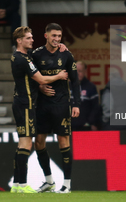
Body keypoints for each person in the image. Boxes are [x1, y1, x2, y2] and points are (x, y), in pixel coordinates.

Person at [10, 26, 68, 193]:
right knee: (26, 144)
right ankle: (22, 185)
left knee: (22, 144)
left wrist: (61, 47)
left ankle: (15, 185)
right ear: (19, 41)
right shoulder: (23, 59)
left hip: (22, 103)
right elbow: (41, 78)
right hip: (25, 104)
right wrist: (59, 76)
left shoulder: (19, 57)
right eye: (28, 38)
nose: (32, 40)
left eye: (32, 37)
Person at [31, 23, 81, 193]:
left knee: (63, 142)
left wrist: (76, 104)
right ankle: (49, 181)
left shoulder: (66, 54)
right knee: (38, 142)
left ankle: (67, 184)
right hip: (42, 105)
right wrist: (39, 87)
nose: (57, 39)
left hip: (61, 104)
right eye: (54, 36)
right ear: (46, 35)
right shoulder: (36, 54)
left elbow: (74, 81)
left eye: (59, 36)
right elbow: (30, 78)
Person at [70, 61, 100, 131]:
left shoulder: (91, 87)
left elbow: (95, 107)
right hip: (70, 126)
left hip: (85, 126)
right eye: (75, 71)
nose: (77, 73)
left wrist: (91, 122)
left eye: (80, 71)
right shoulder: (67, 86)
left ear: (85, 72)